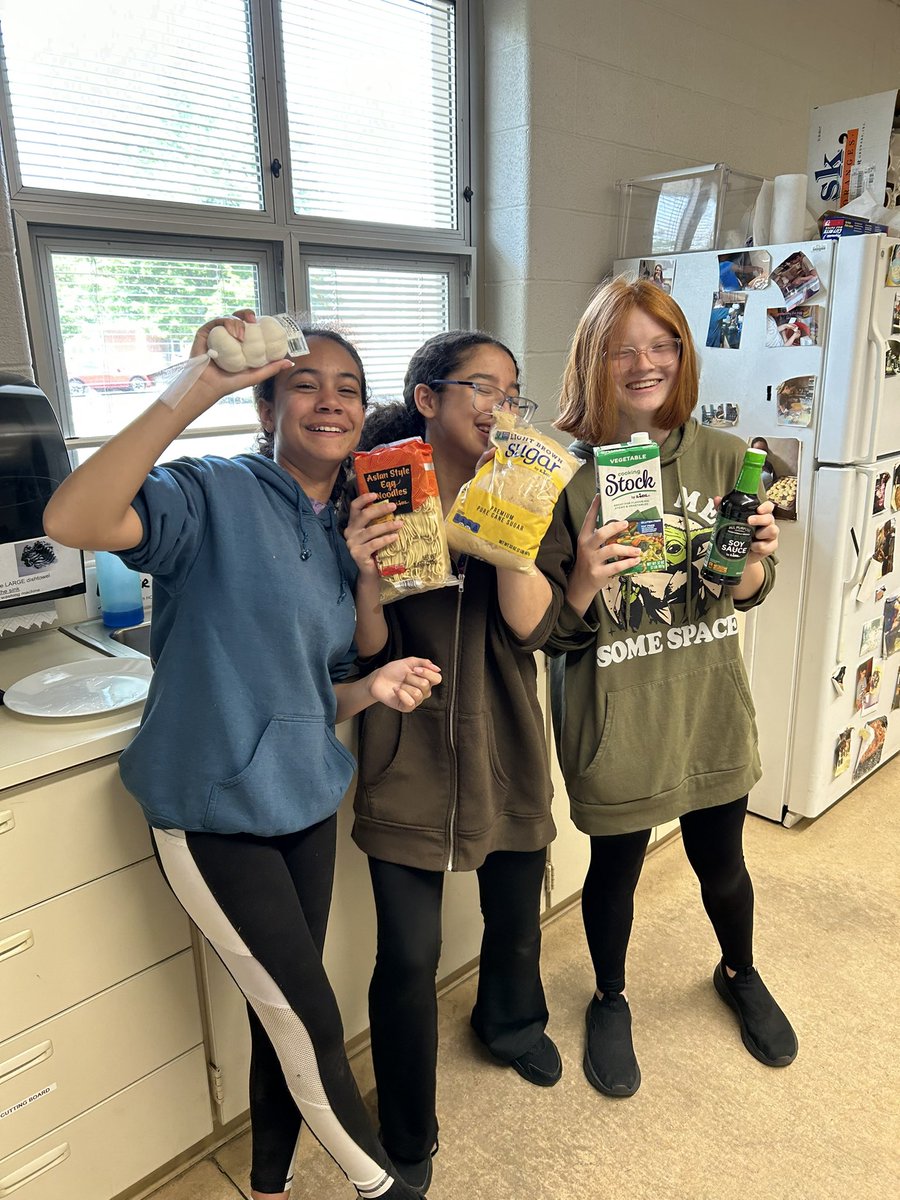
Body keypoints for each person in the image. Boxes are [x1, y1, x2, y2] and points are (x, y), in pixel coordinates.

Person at [42, 313, 442, 1200]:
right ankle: (388, 1189)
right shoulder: (211, 491)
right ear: (267, 403)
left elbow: (321, 687)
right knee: (312, 1020)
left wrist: (371, 687)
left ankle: (267, 1185)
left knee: (279, 1021)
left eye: (347, 389)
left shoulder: (348, 528)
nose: (329, 401)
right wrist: (192, 392)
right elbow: (73, 516)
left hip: (303, 798)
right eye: (305, 383)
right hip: (214, 808)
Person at [540, 278, 798, 1100]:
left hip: (707, 709)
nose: (645, 363)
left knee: (723, 865)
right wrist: (582, 576)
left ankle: (740, 970)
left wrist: (754, 557)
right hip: (617, 719)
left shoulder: (728, 459)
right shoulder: (562, 480)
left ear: (683, 357)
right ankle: (610, 998)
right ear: (595, 360)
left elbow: (750, 590)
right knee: (613, 872)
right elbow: (550, 635)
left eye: (663, 345)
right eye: (624, 347)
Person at [342, 331, 564, 1193]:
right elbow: (362, 649)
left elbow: (534, 630)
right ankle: (406, 1129)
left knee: (514, 917)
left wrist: (508, 537)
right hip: (408, 747)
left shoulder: (521, 486)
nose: (499, 405)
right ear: (428, 398)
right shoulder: (378, 491)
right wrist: (368, 581)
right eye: (481, 386)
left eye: (512, 392)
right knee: (407, 955)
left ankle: (510, 1025)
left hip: (505, 737)